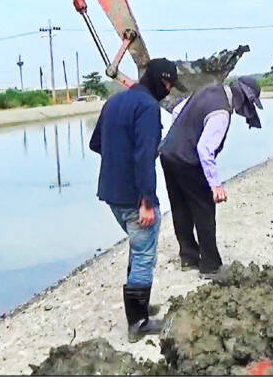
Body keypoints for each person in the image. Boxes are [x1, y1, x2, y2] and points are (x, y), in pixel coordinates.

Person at [89, 57, 186, 343]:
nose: (168, 90)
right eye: (168, 83)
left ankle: (138, 308)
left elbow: (95, 144)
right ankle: (138, 323)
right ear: (158, 79)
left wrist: (118, 158)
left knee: (137, 247)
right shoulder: (147, 108)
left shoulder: (114, 102)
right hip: (135, 196)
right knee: (144, 254)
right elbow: (145, 156)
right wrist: (146, 200)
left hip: (111, 193)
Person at [158, 77, 263, 278]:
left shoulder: (208, 88)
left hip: (168, 153)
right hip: (188, 159)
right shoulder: (222, 112)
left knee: (179, 206)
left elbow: (178, 112)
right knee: (204, 208)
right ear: (243, 99)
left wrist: (179, 139)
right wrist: (215, 185)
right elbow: (204, 149)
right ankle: (210, 265)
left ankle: (188, 256)